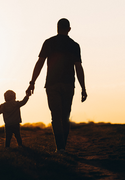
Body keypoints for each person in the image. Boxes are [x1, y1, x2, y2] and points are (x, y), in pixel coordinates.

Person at [26, 18, 87, 153]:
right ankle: (62, 147)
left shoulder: (49, 43)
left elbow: (40, 63)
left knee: (55, 116)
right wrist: (83, 87)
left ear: (57, 28)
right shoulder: (74, 45)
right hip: (68, 84)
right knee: (65, 116)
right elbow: (79, 68)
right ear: (69, 29)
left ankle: (60, 147)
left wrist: (32, 82)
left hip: (52, 84)